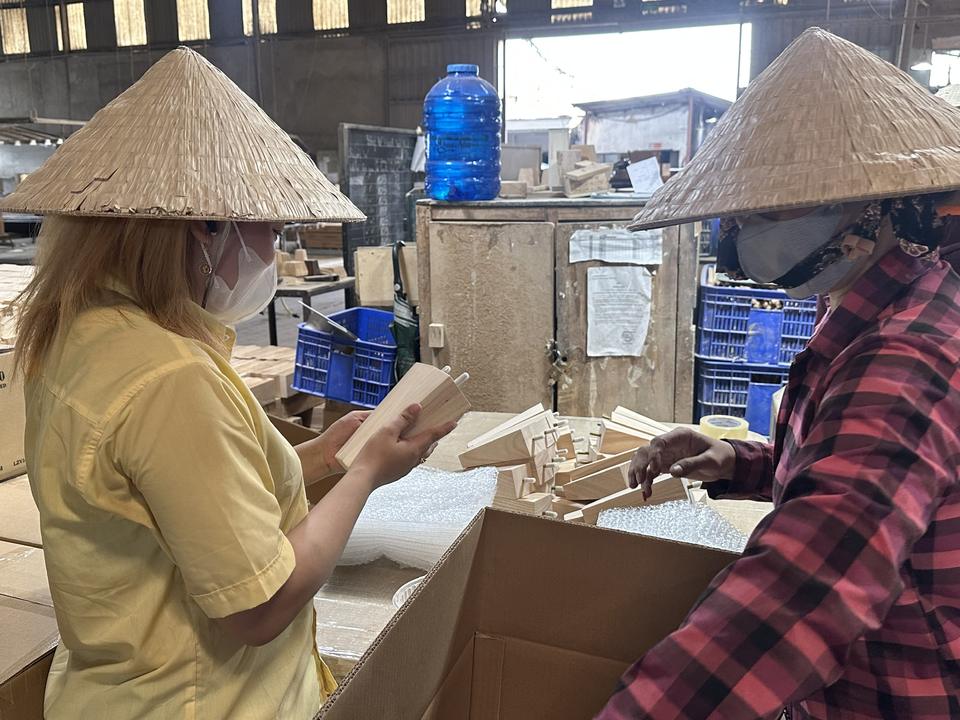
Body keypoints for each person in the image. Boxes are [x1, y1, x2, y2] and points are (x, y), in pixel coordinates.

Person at [4, 48, 454, 719]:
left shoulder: (85, 331)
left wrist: (323, 457)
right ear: (204, 227)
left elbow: (182, 498)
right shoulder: (170, 379)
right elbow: (259, 607)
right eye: (271, 230)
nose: (275, 251)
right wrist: (365, 477)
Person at [597, 28, 960, 719]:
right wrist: (741, 462)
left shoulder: (907, 356)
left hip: (893, 696)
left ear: (865, 204)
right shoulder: (865, 304)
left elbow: (801, 593)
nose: (739, 235)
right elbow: (863, 479)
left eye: (767, 210)